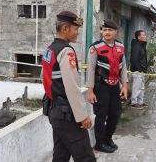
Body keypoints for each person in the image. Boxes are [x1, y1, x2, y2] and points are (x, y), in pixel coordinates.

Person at [41, 11, 96, 162]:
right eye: (75, 29)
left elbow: (44, 78)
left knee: (60, 155)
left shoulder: (50, 49)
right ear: (65, 28)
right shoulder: (66, 51)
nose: (77, 33)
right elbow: (72, 87)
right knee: (86, 157)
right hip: (67, 115)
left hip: (54, 112)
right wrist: (82, 116)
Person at [87, 20, 128, 153]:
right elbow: (91, 69)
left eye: (109, 30)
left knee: (115, 115)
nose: (107, 32)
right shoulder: (95, 47)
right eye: (104, 30)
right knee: (100, 116)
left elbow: (123, 67)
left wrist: (125, 85)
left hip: (115, 87)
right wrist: (90, 90)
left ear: (115, 32)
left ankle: (108, 138)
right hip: (101, 87)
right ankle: (99, 143)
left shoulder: (120, 46)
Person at [130, 30, 148, 110]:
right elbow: (134, 59)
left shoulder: (141, 45)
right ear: (138, 37)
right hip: (138, 70)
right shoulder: (136, 45)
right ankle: (134, 103)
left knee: (142, 87)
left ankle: (140, 102)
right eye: (143, 35)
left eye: (144, 35)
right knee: (136, 87)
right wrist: (139, 69)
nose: (145, 36)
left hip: (142, 70)